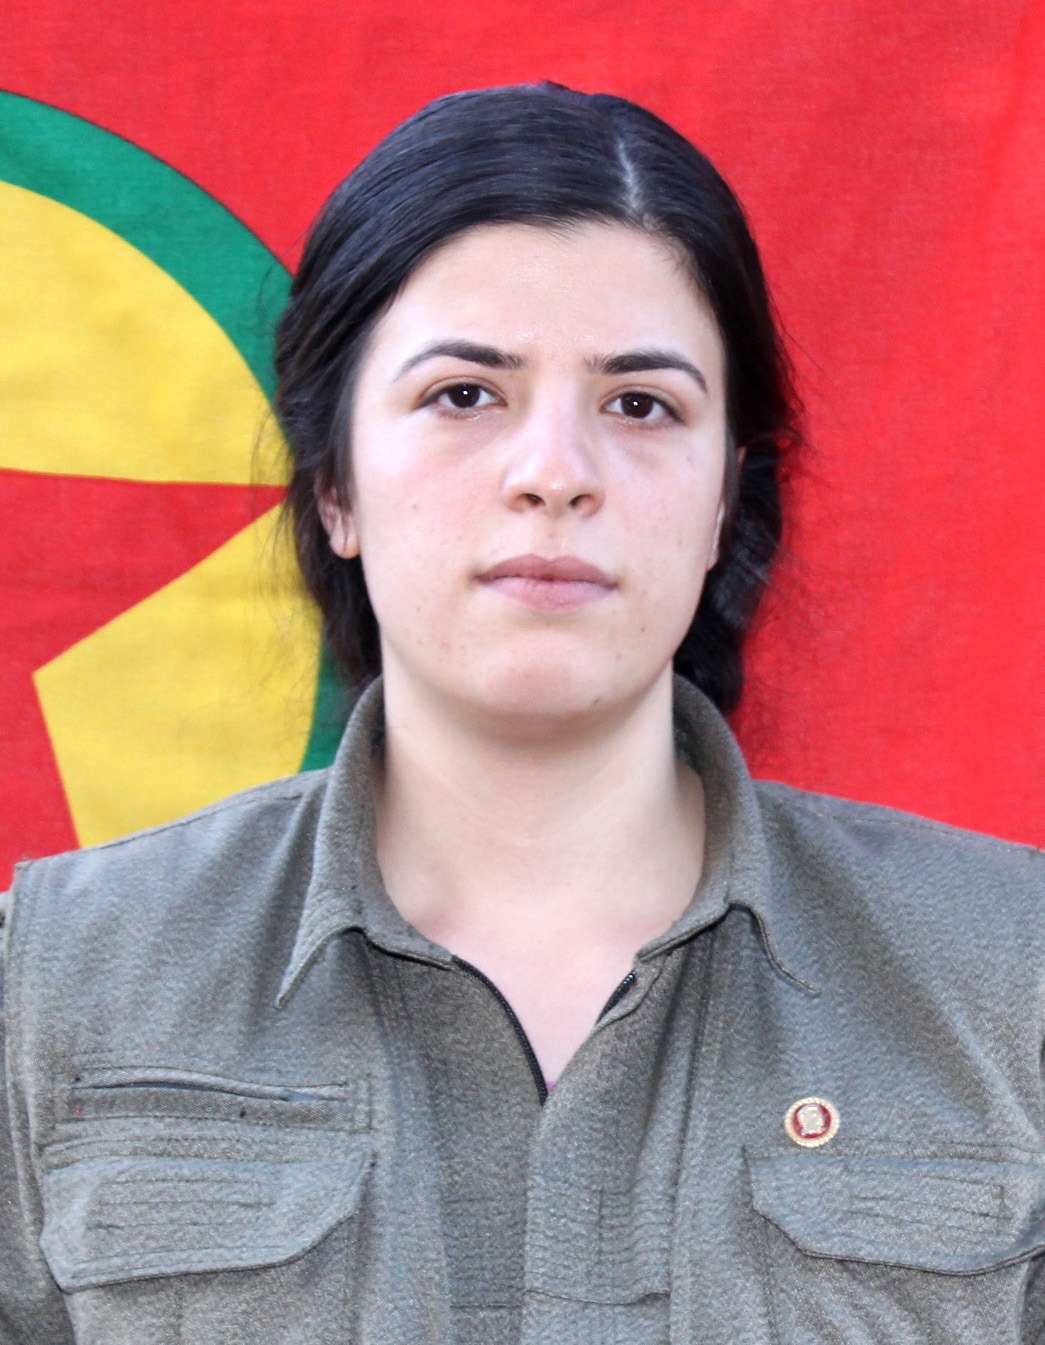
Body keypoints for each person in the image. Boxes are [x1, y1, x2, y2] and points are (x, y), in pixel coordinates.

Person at [2, 81, 1045, 1345]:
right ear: (334, 486)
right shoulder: (63, 980)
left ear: (725, 498)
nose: (554, 472)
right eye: (464, 394)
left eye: (639, 404)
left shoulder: (1009, 978)